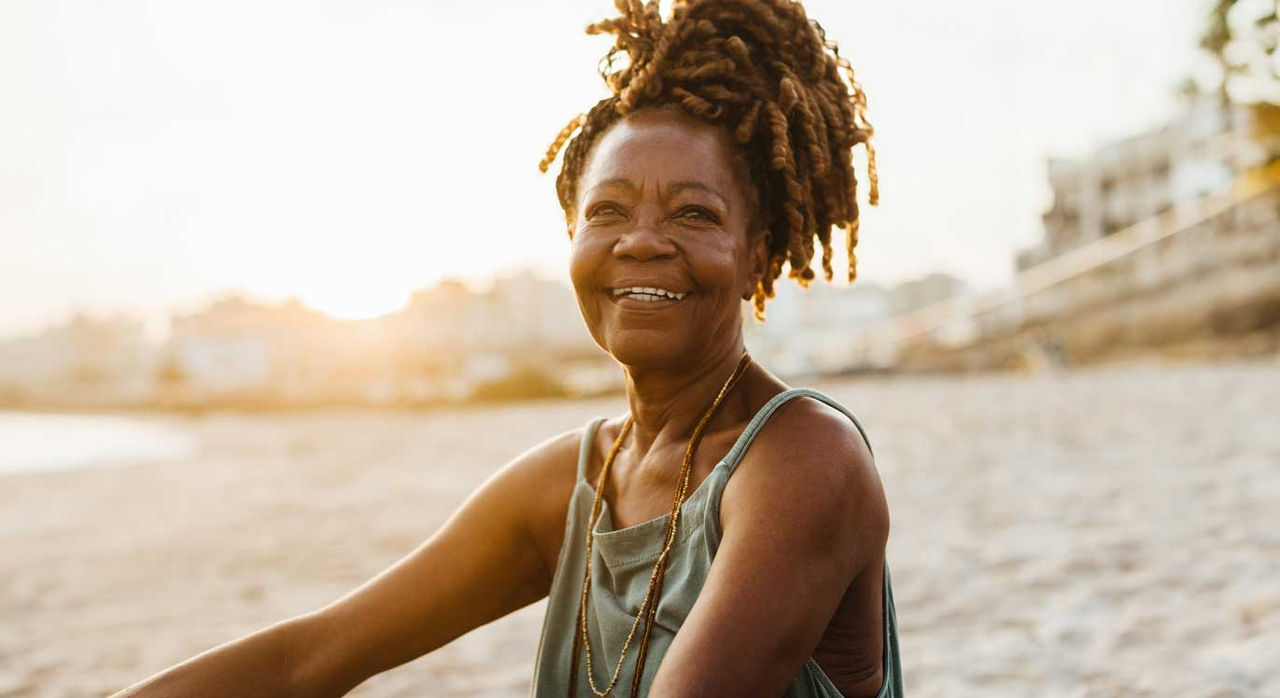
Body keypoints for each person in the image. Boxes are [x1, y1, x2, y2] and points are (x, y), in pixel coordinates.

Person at [111, 1, 904, 696]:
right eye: (608, 212)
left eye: (693, 214)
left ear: (757, 256)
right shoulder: (575, 480)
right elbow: (311, 659)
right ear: (573, 242)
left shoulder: (804, 462)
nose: (641, 242)